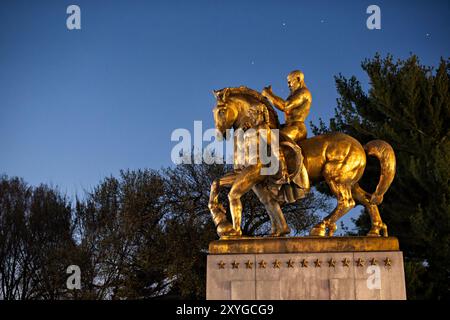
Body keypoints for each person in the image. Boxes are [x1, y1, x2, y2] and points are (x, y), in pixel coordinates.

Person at [262, 70, 311, 193]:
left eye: (290, 81)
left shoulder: (303, 93)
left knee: (274, 140)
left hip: (297, 128)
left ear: (298, 79)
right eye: (287, 82)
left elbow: (285, 106)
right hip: (288, 126)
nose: (288, 85)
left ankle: (283, 174)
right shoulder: (295, 93)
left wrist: (268, 94)